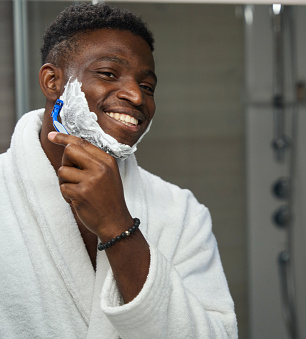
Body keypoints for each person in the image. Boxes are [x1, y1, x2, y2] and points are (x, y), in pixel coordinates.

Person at [0, 3, 237, 338]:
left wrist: (116, 225)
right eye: (109, 74)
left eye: (148, 86)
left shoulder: (181, 211)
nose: (137, 96)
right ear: (52, 81)